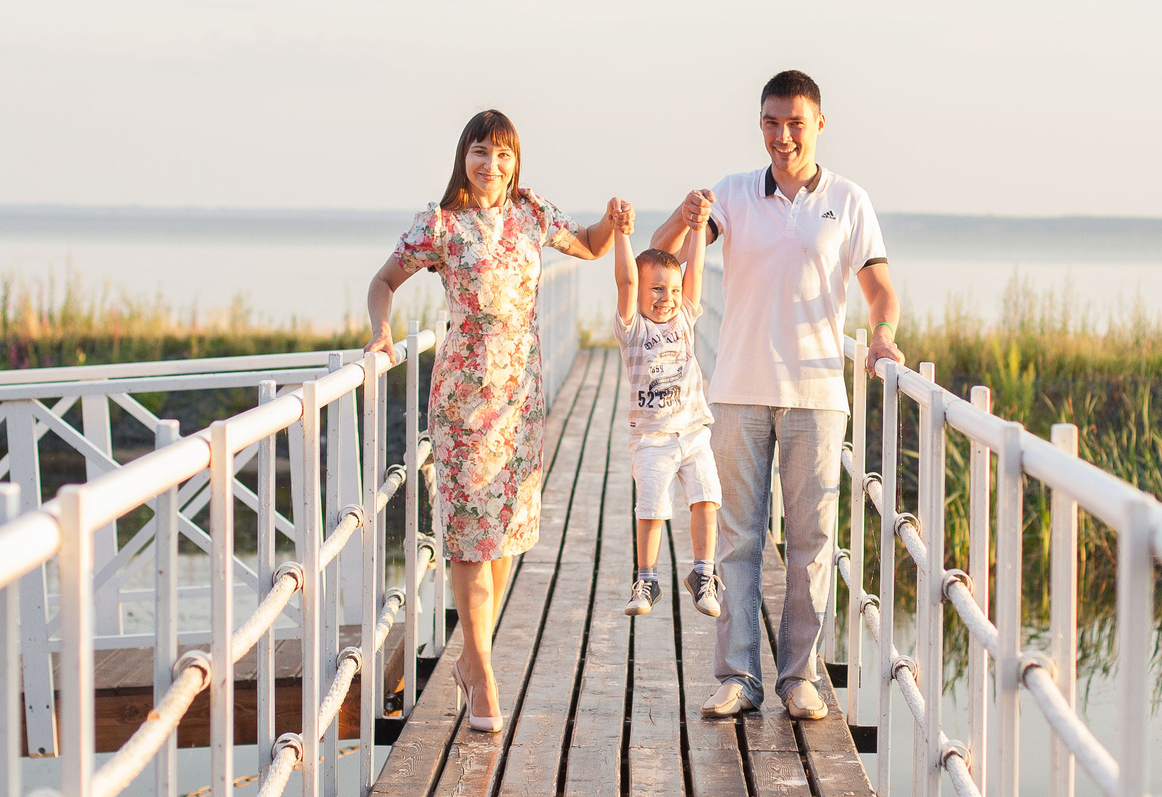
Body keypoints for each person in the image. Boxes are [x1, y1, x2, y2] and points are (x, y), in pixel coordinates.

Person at [365, 109, 626, 733]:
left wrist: (615, 224)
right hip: (462, 399)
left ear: (516, 162)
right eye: (481, 151)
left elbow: (589, 247)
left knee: (505, 532)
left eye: (503, 154)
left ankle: (470, 655)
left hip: (520, 399)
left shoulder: (531, 215)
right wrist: (380, 333)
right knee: (467, 537)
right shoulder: (441, 225)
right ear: (465, 157)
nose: (492, 165)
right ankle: (480, 669)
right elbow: (383, 281)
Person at [655, 70, 903, 721]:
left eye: (795, 122)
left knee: (812, 540)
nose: (782, 134)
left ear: (818, 123)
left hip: (818, 395)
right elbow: (663, 255)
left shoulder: (849, 200)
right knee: (736, 540)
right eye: (771, 121)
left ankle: (800, 677)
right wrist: (684, 216)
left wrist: (881, 335)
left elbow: (879, 288)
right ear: (759, 124)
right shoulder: (733, 193)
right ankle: (738, 675)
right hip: (738, 390)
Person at [606, 199, 724, 621]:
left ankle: (703, 574)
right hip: (652, 437)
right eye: (656, 289)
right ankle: (647, 579)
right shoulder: (632, 329)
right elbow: (623, 281)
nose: (667, 299)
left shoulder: (685, 319)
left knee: (707, 496)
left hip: (693, 431)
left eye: (672, 291)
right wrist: (621, 232)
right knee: (652, 507)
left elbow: (693, 274)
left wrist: (698, 226)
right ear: (640, 292)